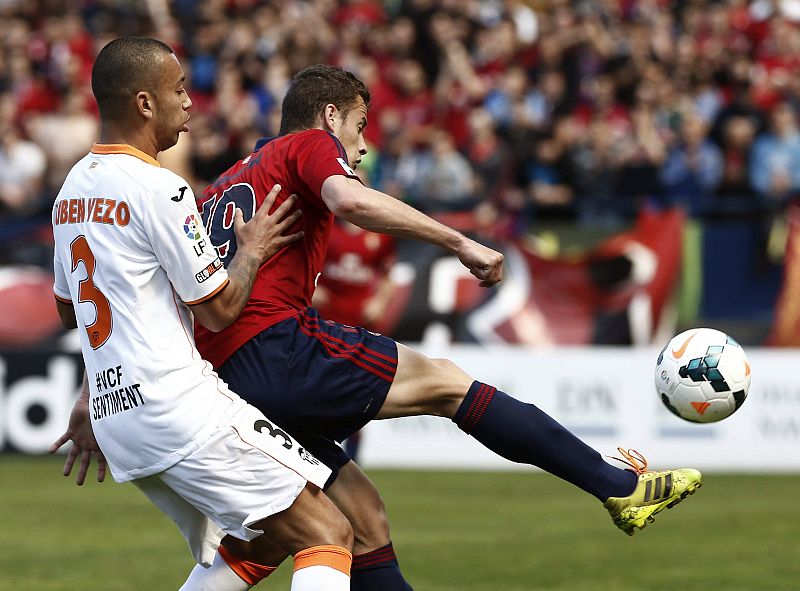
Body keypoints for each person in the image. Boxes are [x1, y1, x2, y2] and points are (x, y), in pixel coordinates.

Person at [194, 64, 704, 590]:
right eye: (360, 125)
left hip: (224, 377)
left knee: (357, 523)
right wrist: (460, 240)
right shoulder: (307, 144)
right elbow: (349, 200)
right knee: (446, 383)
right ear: (329, 117)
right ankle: (616, 486)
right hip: (275, 347)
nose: (362, 146)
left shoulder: (231, 178)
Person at [49, 38, 354, 591]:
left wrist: (91, 392)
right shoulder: (161, 189)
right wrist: (253, 249)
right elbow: (218, 311)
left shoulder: (71, 190)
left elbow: (74, 313)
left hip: (120, 417)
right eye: (180, 89)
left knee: (262, 541)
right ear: (145, 104)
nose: (191, 102)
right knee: (327, 533)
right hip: (178, 407)